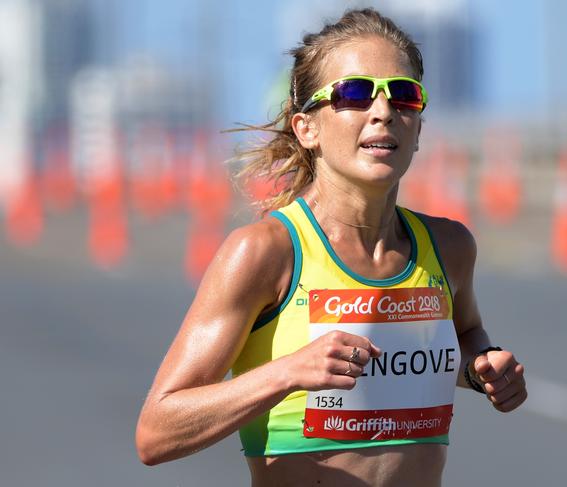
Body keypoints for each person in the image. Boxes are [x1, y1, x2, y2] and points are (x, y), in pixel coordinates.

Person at [135, 8, 527, 487]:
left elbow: (467, 333)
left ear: (419, 129)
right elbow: (156, 432)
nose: (383, 111)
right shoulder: (265, 253)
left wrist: (484, 368)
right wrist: (287, 373)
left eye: (403, 95)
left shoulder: (449, 247)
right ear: (307, 128)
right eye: (356, 94)